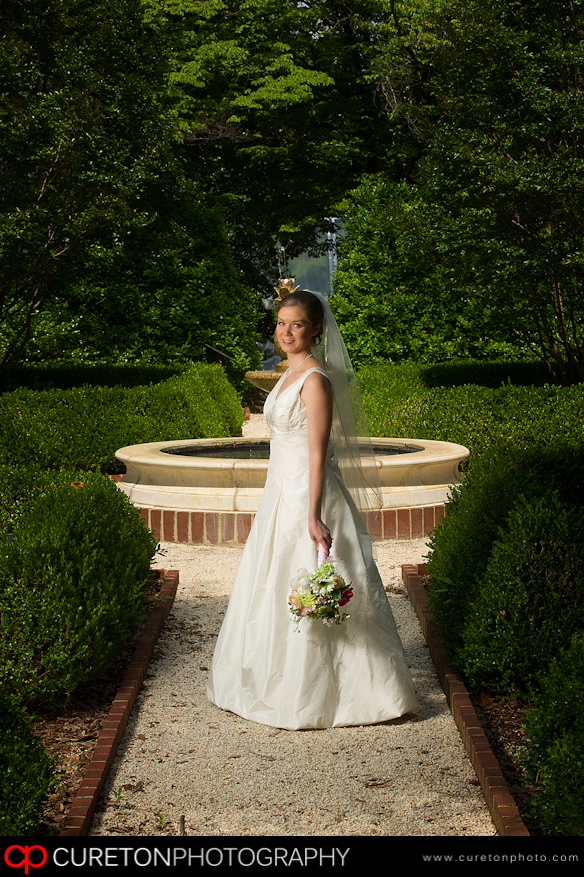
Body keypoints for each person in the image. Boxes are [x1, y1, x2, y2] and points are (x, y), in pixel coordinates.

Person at [206, 290, 419, 729]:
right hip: (279, 491)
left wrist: (313, 514)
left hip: (309, 492)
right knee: (274, 582)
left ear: (315, 329)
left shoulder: (316, 379)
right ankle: (273, 681)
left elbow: (318, 453)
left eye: (296, 324)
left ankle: (343, 694)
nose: (285, 332)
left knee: (319, 579)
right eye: (281, 324)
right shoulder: (287, 374)